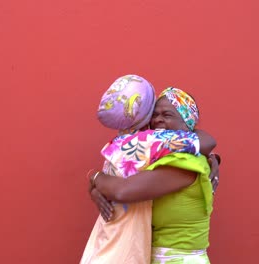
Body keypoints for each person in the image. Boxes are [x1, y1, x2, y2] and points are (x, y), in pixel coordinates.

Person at [80, 76, 217, 264]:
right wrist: (96, 188)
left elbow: (123, 190)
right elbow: (118, 178)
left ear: (188, 123)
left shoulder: (187, 162)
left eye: (167, 115)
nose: (158, 120)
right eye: (155, 114)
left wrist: (95, 178)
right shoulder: (154, 156)